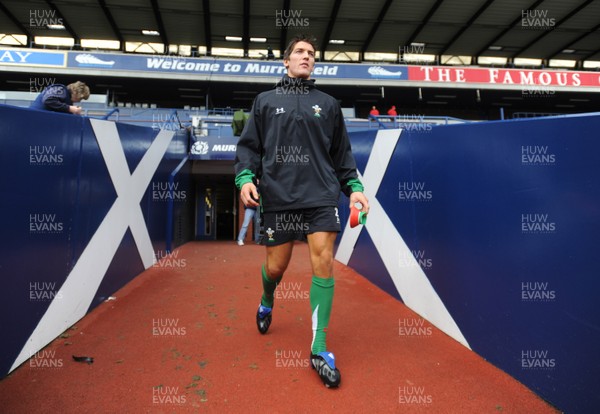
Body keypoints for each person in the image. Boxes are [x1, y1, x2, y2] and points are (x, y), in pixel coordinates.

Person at [234, 34, 369, 388]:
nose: (306, 57)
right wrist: (245, 178)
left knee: (323, 262)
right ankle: (267, 298)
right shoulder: (264, 101)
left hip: (321, 196)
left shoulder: (328, 104)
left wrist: (355, 189)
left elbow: (342, 156)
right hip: (278, 197)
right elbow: (249, 148)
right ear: (286, 61)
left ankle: (319, 348)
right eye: (299, 52)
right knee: (276, 266)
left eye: (311, 53)